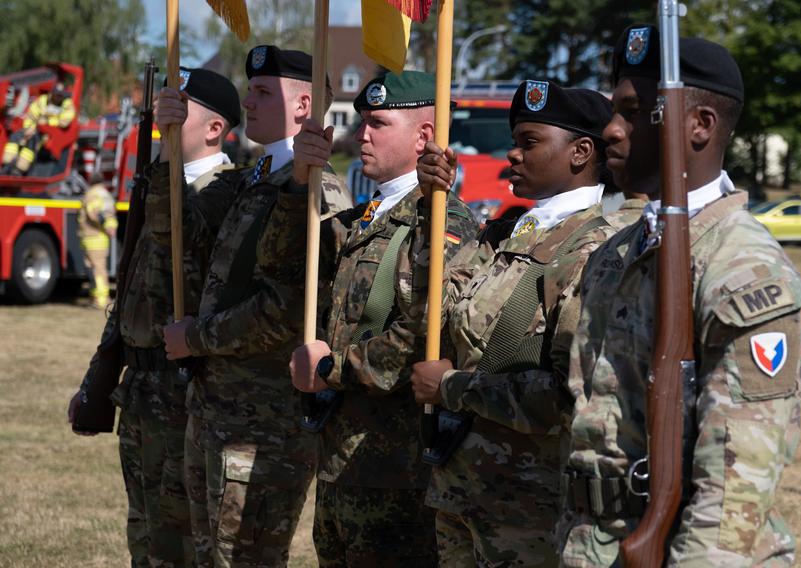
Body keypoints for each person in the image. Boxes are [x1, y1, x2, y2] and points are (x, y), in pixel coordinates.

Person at [559, 25, 801, 567]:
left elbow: (734, 485)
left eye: (633, 112)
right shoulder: (617, 251)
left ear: (699, 126)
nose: (610, 130)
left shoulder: (744, 270)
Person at [408, 81, 639, 567]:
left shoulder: (597, 250)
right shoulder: (506, 232)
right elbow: (430, 310)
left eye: (529, 142)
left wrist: (452, 388)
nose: (511, 154)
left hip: (529, 508)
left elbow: (567, 395)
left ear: (579, 153)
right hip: (462, 489)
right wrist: (433, 204)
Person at [155, 45, 351, 567]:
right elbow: (175, 236)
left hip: (262, 426)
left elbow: (286, 311)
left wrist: (195, 337)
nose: (249, 100)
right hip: (218, 412)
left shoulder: (314, 194)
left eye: (263, 92)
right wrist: (168, 148)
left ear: (305, 105)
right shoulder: (253, 179)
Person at [289, 71, 478, 567]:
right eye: (362, 123)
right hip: (343, 459)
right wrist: (299, 177)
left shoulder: (439, 220)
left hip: (397, 471)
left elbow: (422, 335)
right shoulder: (367, 216)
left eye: (378, 123)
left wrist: (332, 371)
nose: (361, 135)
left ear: (423, 136)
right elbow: (288, 265)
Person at [68, 67, 242, 567]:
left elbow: (187, 247)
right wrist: (93, 383)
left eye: (179, 112)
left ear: (214, 129)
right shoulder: (155, 184)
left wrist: (162, 166)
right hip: (140, 387)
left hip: (182, 388)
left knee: (178, 539)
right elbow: (130, 296)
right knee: (143, 534)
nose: (167, 122)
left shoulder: (226, 191)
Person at [2, 82, 75, 175]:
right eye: (56, 94)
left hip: (51, 135)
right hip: (33, 129)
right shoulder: (42, 101)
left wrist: (47, 122)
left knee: (32, 141)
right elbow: (31, 115)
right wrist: (28, 129)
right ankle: (6, 164)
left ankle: (19, 169)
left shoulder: (67, 106)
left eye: (61, 95)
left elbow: (64, 122)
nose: (58, 97)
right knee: (15, 136)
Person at [77, 178, 118, 309]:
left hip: (93, 238)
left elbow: (93, 211)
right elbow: (109, 214)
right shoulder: (105, 194)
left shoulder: (92, 194)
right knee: (98, 269)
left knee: (96, 270)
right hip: (100, 238)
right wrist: (109, 226)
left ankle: (100, 300)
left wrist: (105, 224)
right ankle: (98, 298)